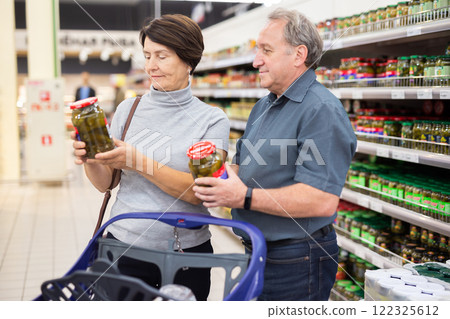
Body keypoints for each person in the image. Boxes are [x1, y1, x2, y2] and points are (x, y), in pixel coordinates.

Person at [193, 8, 356, 301]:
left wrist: (242, 197)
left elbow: (321, 200)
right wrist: (220, 174)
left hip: (296, 258)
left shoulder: (321, 111)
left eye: (266, 50)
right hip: (258, 250)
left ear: (298, 55)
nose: (256, 61)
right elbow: (243, 164)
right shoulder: (264, 106)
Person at [71, 14, 230, 301]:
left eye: (162, 56)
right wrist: (92, 160)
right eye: (147, 55)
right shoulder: (127, 110)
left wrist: (137, 161)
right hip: (123, 247)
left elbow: (200, 192)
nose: (151, 66)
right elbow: (105, 184)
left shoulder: (212, 120)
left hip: (186, 255)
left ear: (189, 60)